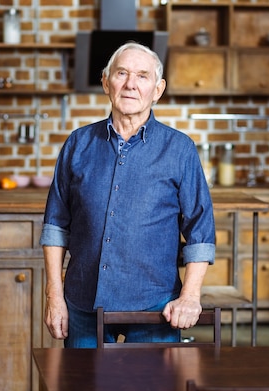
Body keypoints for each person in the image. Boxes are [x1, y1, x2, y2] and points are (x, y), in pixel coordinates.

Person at [40, 42, 216, 348]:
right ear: (106, 82)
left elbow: (200, 231)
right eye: (121, 73)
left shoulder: (179, 149)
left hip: (155, 305)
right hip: (83, 302)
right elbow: (55, 227)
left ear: (157, 89)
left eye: (142, 76)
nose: (131, 84)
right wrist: (54, 296)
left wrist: (189, 297)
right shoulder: (78, 144)